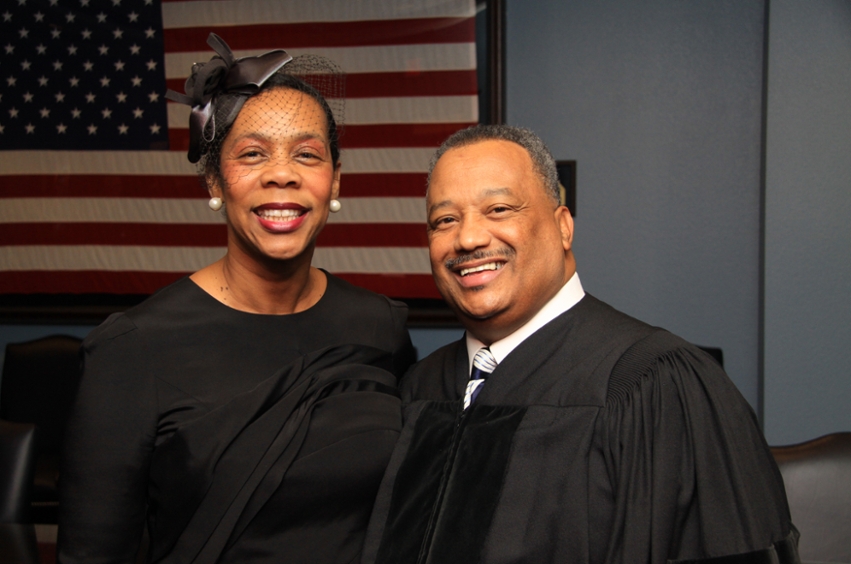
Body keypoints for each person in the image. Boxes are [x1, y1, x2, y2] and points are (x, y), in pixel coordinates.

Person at [361, 125, 799, 564]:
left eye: (498, 209)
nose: (469, 238)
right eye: (445, 220)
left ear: (563, 227)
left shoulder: (655, 385)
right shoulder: (419, 388)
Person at [58, 34, 415, 564]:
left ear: (335, 180)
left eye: (307, 154)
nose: (281, 173)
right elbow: (94, 554)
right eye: (252, 154)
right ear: (215, 181)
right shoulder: (132, 349)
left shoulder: (379, 325)